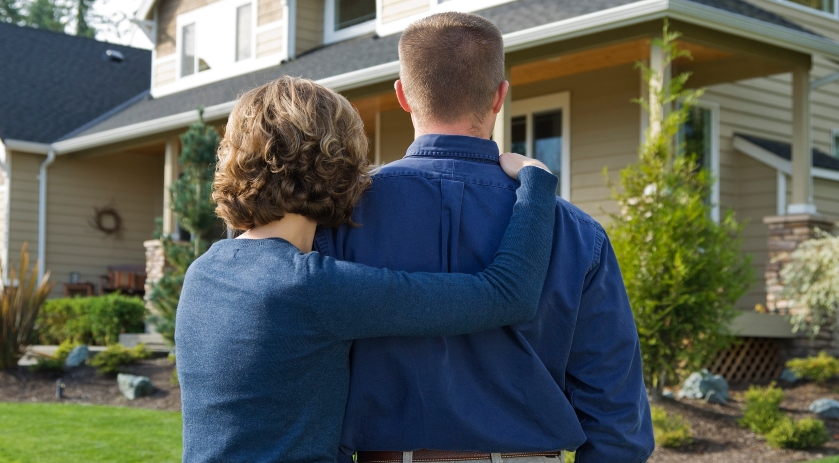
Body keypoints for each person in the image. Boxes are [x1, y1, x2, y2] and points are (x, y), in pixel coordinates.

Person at [315, 12, 654, 463]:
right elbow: (616, 421)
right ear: (499, 96)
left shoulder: (339, 218)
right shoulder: (574, 232)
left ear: (402, 95)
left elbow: (308, 392)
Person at [176, 76, 559, 463]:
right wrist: (537, 182)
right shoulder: (311, 288)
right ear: (339, 168)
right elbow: (507, 295)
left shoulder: (202, 274)